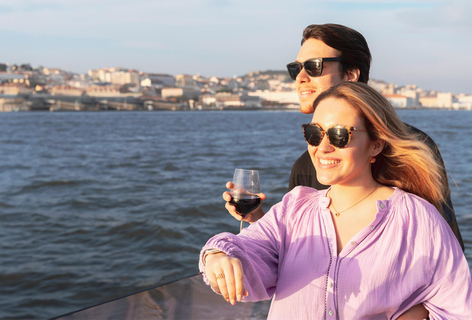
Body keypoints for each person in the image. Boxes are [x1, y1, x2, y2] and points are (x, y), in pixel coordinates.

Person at [202, 82, 471, 319]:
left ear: (376, 144)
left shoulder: (418, 219)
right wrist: (218, 254)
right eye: (314, 133)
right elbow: (249, 253)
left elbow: (458, 309)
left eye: (339, 134)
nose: (323, 147)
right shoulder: (294, 208)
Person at [223, 23, 465, 252]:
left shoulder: (409, 147)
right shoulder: (307, 165)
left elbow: (446, 246)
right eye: (296, 69)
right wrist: (258, 220)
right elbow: (295, 251)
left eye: (314, 66)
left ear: (350, 74)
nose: (300, 78)